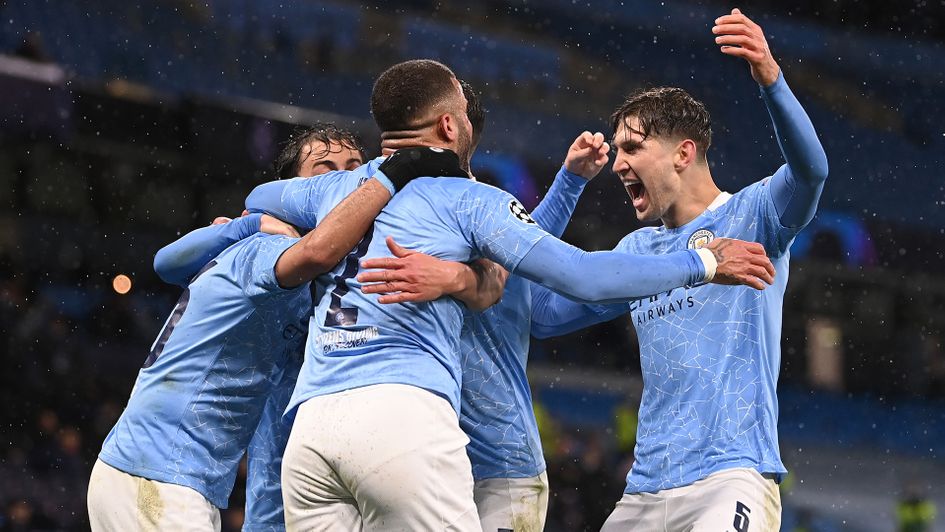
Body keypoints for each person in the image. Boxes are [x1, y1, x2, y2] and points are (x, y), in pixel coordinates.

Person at [244, 59, 775, 531]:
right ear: (452, 126)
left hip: (323, 428)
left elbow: (258, 197)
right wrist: (702, 262)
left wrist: (461, 276)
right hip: (409, 425)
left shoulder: (334, 194)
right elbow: (574, 275)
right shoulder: (470, 202)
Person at [523, 9, 828, 530]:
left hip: (729, 476)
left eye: (633, 148)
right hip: (644, 489)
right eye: (617, 149)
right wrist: (569, 185)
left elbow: (812, 170)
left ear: (683, 153)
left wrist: (771, 79)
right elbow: (543, 316)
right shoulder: (638, 247)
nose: (618, 163)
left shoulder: (752, 215)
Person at [86, 134, 453, 531]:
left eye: (353, 170)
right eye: (325, 171)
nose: (347, 183)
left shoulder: (311, 281)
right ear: (296, 192)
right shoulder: (266, 248)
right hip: (158, 473)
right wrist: (395, 174)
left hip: (170, 476)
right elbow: (315, 252)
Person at [364, 81, 609, 531]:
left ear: (453, 126)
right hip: (422, 453)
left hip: (501, 464)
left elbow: (528, 255)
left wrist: (693, 265)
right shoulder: (384, 207)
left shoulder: (473, 209)